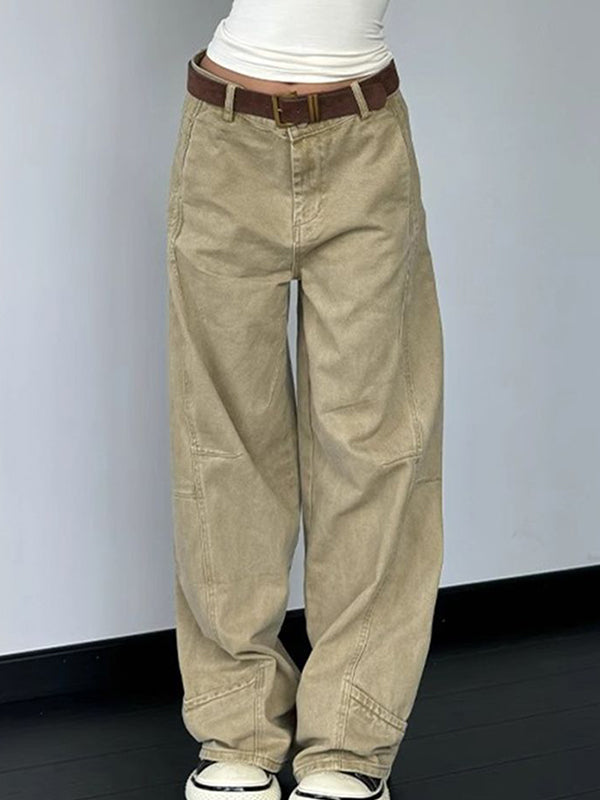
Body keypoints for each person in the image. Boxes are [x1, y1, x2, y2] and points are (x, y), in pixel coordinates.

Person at [165, 2, 444, 799]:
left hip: (364, 141)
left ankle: (349, 744)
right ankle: (236, 729)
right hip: (225, 141)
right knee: (223, 443)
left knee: (375, 444)